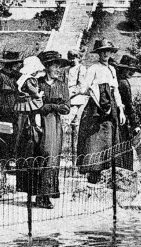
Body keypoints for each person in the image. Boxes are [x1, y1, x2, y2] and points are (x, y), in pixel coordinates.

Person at [15, 51, 72, 209]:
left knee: (50, 156)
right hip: (36, 123)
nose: (58, 69)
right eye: (55, 66)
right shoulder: (36, 83)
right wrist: (48, 106)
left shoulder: (62, 85)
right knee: (35, 155)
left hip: (53, 123)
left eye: (59, 67)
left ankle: (45, 195)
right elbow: (29, 101)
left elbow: (66, 108)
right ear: (47, 67)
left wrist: (50, 106)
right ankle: (32, 192)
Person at [77, 39, 126, 184]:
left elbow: (116, 91)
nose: (105, 54)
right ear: (99, 53)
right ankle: (93, 175)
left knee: (109, 139)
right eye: (102, 51)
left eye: (108, 51)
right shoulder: (93, 68)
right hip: (96, 109)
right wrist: (95, 91)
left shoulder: (112, 69)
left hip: (111, 109)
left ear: (111, 53)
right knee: (95, 141)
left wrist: (121, 110)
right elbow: (83, 89)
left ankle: (107, 174)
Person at [0, 50, 23, 161]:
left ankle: (12, 157)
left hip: (16, 108)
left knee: (15, 134)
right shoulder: (0, 76)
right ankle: (2, 159)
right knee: (3, 134)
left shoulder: (17, 76)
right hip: (4, 109)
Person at [111, 55, 141, 171]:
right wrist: (135, 124)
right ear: (123, 69)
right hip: (122, 117)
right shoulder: (124, 83)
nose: (132, 73)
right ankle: (126, 170)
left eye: (133, 70)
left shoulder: (115, 80)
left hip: (114, 116)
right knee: (125, 144)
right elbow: (129, 106)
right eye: (129, 70)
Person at [64, 49, 88, 158]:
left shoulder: (81, 69)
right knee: (65, 126)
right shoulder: (66, 70)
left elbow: (80, 86)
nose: (73, 60)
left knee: (76, 129)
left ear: (78, 58)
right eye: (71, 57)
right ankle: (66, 154)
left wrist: (69, 94)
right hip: (67, 100)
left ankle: (76, 156)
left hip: (77, 100)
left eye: (75, 57)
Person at [15, 56, 45, 129]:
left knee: (31, 117)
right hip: (27, 101)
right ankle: (32, 128)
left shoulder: (24, 77)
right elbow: (31, 89)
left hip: (25, 100)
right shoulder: (29, 78)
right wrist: (38, 94)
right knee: (28, 116)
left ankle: (32, 128)